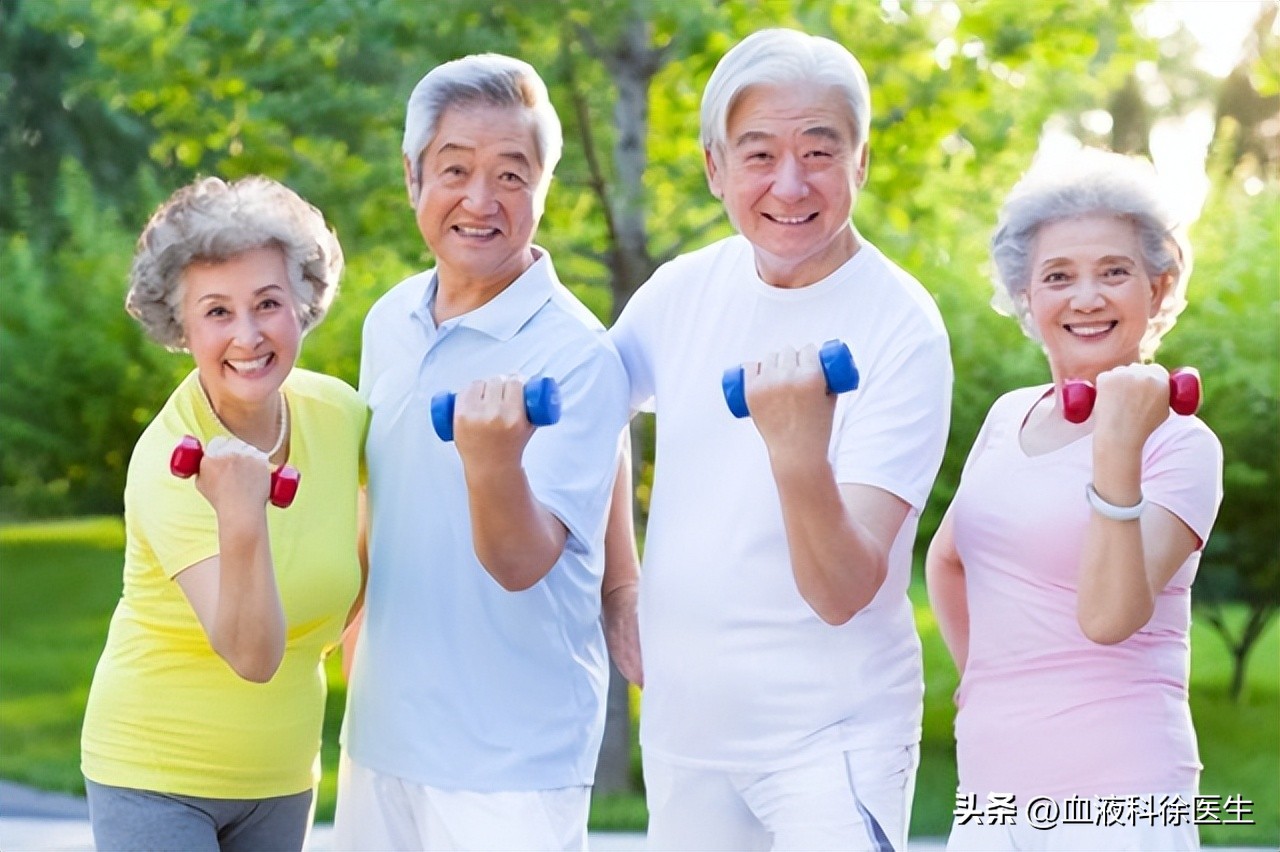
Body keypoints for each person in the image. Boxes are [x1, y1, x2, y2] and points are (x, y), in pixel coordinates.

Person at [605, 28, 953, 851]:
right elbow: (589, 423)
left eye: (820, 152)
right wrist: (622, 588)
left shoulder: (902, 327)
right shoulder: (679, 292)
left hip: (831, 743)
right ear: (714, 167)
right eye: (758, 154)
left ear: (861, 163)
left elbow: (843, 590)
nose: (790, 185)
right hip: (688, 733)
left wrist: (797, 451)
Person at [334, 53, 629, 851]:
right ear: (412, 177)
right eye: (455, 168)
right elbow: (383, 506)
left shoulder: (578, 357)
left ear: (543, 188)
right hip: (381, 739)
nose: (479, 199)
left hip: (512, 761)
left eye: (511, 174)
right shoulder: (389, 319)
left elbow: (520, 563)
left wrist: (491, 462)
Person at [925, 146, 1224, 851]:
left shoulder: (1181, 444)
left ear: (1159, 286)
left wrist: (1117, 443)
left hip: (1121, 798)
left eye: (1113, 272)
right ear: (1026, 295)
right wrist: (982, 683)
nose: (1085, 297)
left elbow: (1109, 616)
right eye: (1058, 276)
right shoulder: (1008, 416)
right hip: (993, 796)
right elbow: (948, 560)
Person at [80, 175, 365, 851]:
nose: (248, 336)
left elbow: (385, 551)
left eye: (268, 303)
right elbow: (252, 653)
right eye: (216, 312)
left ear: (302, 303)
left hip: (282, 775)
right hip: (155, 774)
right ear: (179, 326)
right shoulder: (169, 462)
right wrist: (242, 514)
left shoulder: (341, 418)